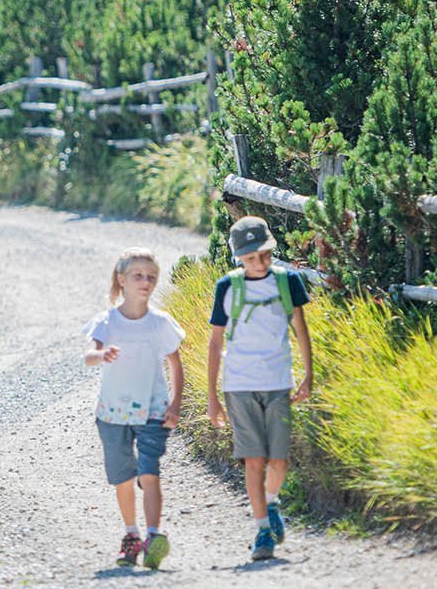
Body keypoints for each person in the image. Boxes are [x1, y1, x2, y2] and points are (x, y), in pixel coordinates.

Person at [205, 215, 314, 562]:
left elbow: (301, 330)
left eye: (265, 254)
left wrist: (308, 373)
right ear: (239, 257)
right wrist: (212, 397)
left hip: (279, 382)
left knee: (278, 460)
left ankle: (272, 502)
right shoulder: (228, 287)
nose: (260, 263)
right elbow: (214, 342)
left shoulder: (288, 281)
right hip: (239, 385)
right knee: (254, 460)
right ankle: (262, 529)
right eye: (251, 258)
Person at [82, 247, 184, 569]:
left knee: (150, 473)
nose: (146, 281)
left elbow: (176, 365)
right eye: (138, 275)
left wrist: (176, 404)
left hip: (153, 411)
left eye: (151, 277)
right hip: (112, 414)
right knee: (123, 478)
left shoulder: (160, 323)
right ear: (122, 279)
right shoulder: (107, 321)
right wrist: (103, 355)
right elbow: (88, 355)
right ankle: (131, 534)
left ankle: (154, 536)